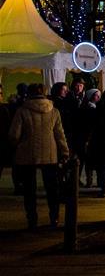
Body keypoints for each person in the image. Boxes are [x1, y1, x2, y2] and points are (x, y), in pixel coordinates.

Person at [8, 83, 69, 229]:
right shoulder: (53, 111)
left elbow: (13, 135)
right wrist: (65, 152)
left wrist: (15, 145)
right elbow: (60, 135)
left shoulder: (22, 111)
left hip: (27, 153)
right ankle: (54, 217)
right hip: (50, 154)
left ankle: (32, 220)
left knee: (29, 190)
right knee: (52, 188)